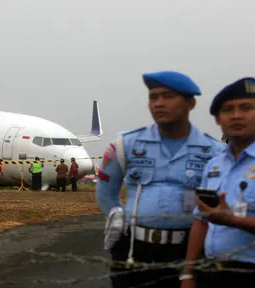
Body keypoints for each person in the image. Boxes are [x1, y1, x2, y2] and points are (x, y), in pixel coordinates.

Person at [95, 71, 224, 288]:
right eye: (153, 97)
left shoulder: (214, 151)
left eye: (168, 96)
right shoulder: (126, 144)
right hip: (135, 250)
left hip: (189, 250)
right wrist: (116, 217)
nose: (159, 103)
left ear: (190, 103)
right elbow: (105, 192)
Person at [181, 77, 255, 288]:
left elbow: (223, 219)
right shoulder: (214, 165)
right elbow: (201, 220)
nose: (236, 116)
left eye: (246, 108)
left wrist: (233, 221)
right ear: (218, 120)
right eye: (227, 110)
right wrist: (188, 273)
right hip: (212, 272)